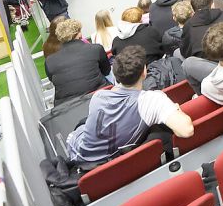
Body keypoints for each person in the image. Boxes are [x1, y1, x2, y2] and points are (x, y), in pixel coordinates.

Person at [66, 46, 194, 166]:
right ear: (144, 71)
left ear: (115, 74)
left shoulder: (98, 97)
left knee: (83, 122)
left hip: (82, 157)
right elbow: (187, 130)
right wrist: (175, 109)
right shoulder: (152, 100)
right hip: (98, 158)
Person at [45, 19, 110, 104]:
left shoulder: (49, 61)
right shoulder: (95, 49)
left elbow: (54, 81)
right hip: (98, 96)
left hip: (66, 106)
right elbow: (106, 71)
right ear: (79, 34)